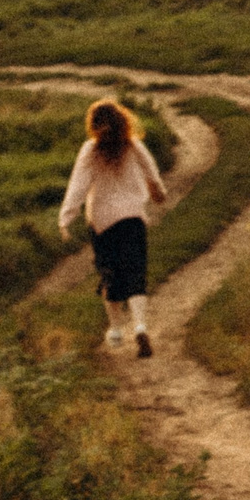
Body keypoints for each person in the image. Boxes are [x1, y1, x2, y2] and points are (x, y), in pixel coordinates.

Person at [56, 98, 169, 358]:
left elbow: (78, 186)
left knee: (110, 273)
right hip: (132, 217)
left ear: (93, 126)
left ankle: (116, 328)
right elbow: (151, 171)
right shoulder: (133, 145)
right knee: (136, 272)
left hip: (103, 222)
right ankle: (140, 326)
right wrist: (158, 192)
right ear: (122, 121)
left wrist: (66, 218)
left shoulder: (90, 150)